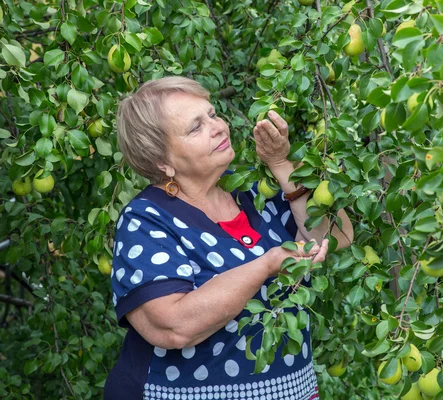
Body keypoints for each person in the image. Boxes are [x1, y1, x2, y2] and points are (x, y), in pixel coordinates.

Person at [104, 76, 354, 400]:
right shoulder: (146, 220)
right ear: (162, 163)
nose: (218, 127)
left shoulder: (253, 193)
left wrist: (280, 164)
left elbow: (338, 234)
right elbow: (173, 325)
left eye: (212, 114)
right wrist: (265, 265)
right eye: (196, 127)